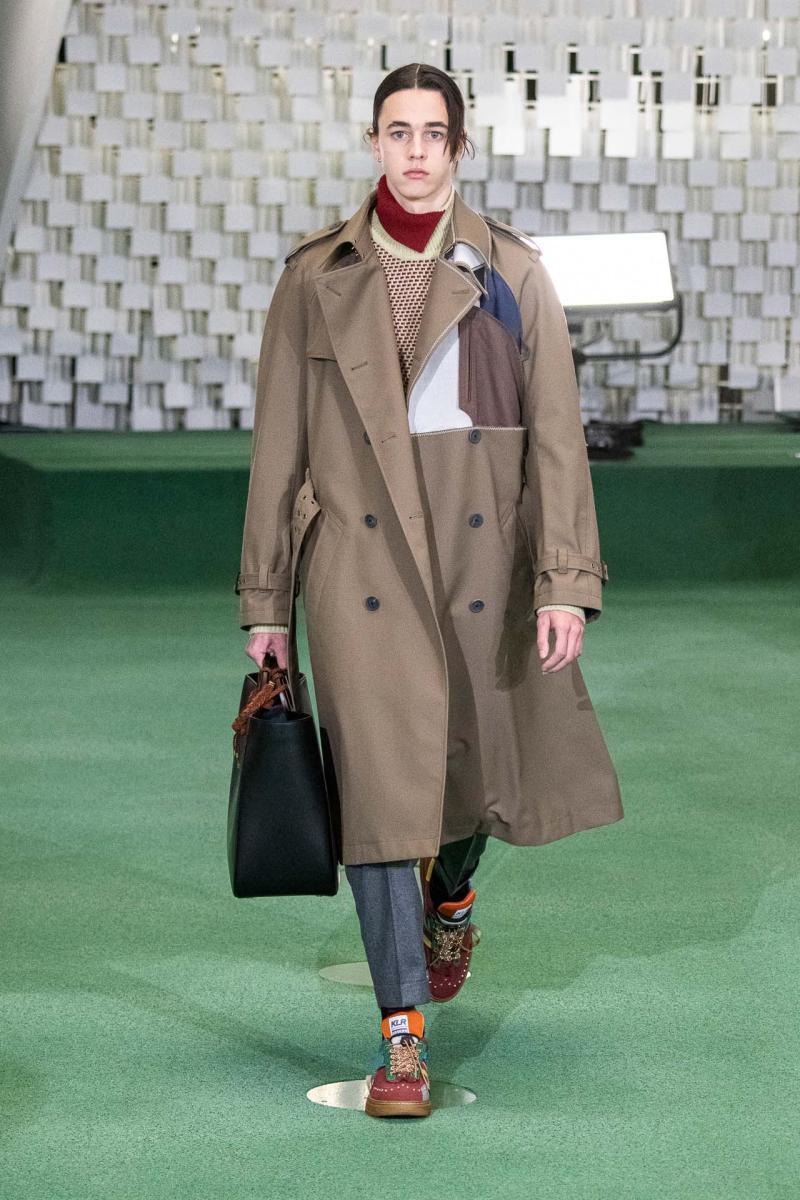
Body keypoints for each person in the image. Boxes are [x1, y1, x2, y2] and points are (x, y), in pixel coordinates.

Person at [236, 63, 623, 1119]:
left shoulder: (508, 273)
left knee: (467, 774)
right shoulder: (313, 276)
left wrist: (563, 581)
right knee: (374, 796)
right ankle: (400, 1039)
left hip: (476, 566)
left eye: (432, 133)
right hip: (355, 568)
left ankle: (451, 894)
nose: (414, 151)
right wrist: (267, 602)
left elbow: (551, 438)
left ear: (458, 147)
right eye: (396, 131)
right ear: (374, 142)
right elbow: (277, 446)